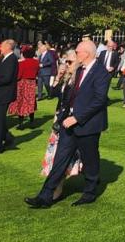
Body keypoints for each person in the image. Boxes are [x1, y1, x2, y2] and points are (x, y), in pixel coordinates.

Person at [26, 39, 108, 208]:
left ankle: (90, 193)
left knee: (90, 158)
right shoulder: (79, 71)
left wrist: (77, 117)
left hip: (87, 124)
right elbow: (69, 95)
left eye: (77, 52)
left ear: (86, 53)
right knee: (60, 159)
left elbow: (99, 100)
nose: (75, 54)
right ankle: (45, 196)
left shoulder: (101, 72)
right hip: (68, 123)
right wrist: (64, 116)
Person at [39, 50, 82, 201]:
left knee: (63, 154)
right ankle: (56, 183)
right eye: (66, 62)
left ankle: (58, 186)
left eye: (70, 62)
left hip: (70, 119)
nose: (67, 65)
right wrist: (58, 76)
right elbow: (52, 93)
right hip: (59, 117)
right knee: (56, 152)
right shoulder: (67, 78)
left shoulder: (79, 80)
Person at [12, 45, 40, 126]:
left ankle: (21, 124)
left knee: (21, 102)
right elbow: (37, 72)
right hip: (32, 83)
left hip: (22, 83)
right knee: (31, 102)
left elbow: (19, 75)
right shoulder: (36, 62)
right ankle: (32, 122)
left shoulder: (21, 63)